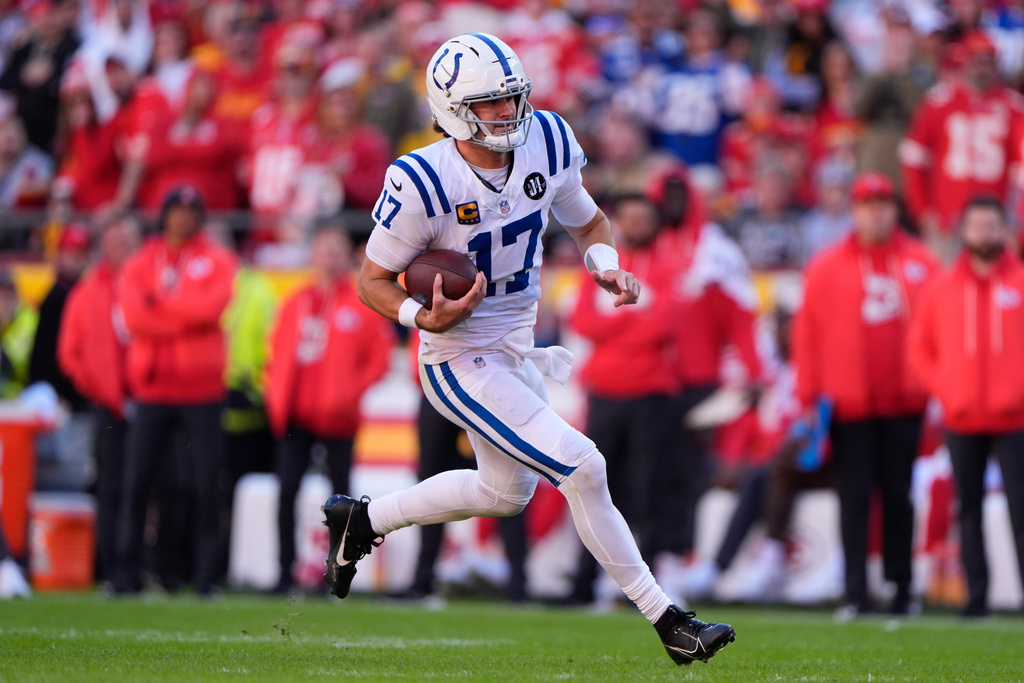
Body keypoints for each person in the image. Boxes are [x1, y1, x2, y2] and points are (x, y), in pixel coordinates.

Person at [322, 33, 735, 667]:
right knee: (583, 465)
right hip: (456, 354)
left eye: (513, 99)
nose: (509, 114)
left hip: (517, 342)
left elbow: (589, 221)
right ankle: (669, 619)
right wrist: (420, 314)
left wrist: (604, 264)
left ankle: (366, 519)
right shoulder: (423, 179)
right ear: (455, 108)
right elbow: (371, 280)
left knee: (504, 493)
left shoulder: (546, 138)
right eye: (491, 104)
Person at [793, 171, 939, 618]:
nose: (875, 212)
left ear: (895, 209)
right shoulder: (826, 264)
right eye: (866, 204)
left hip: (903, 402)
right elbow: (808, 334)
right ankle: (856, 592)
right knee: (854, 496)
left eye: (883, 204)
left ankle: (900, 589)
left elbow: (937, 330)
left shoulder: (922, 261)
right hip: (848, 402)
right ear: (855, 211)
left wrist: (930, 386)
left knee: (899, 496)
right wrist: (809, 395)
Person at [111, 185, 237, 596]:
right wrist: (184, 312)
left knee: (204, 485)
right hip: (152, 386)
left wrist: (160, 304)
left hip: (201, 388)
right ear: (163, 214)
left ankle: (203, 577)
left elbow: (211, 309)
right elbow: (134, 316)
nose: (182, 218)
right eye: (176, 210)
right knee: (137, 482)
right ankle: (125, 574)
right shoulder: (141, 261)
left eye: (190, 210)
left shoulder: (216, 259)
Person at [907, 196, 1024, 618]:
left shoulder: (1020, 281)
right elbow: (920, 349)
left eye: (991, 225)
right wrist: (947, 390)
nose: (984, 233)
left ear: (1004, 229)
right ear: (964, 231)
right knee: (968, 509)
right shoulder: (941, 288)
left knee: (1021, 508)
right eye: (976, 225)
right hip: (961, 416)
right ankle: (977, 599)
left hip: (1015, 418)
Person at [564, 192, 680, 606]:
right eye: (627, 218)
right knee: (591, 490)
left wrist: (614, 324)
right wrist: (635, 320)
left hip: (651, 394)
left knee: (646, 492)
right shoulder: (598, 268)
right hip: (606, 393)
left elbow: (665, 324)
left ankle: (642, 594)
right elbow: (581, 320)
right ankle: (582, 585)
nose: (634, 225)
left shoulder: (667, 267)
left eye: (642, 218)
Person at [264, 225, 393, 594]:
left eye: (337, 249)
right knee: (286, 491)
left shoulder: (360, 303)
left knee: (342, 501)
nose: (330, 256)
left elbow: (378, 358)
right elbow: (274, 353)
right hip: (296, 414)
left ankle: (338, 575)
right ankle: (283, 572)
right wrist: (276, 395)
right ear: (313, 254)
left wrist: (349, 393)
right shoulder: (294, 301)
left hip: (338, 416)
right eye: (324, 249)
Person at [58, 216, 140, 584]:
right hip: (109, 402)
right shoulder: (87, 293)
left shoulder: (147, 285)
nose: (121, 246)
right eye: (114, 240)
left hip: (153, 400)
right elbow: (70, 353)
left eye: (126, 239)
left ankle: (144, 566)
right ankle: (112, 569)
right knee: (112, 486)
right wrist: (97, 386)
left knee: (153, 486)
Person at [899, 32, 1022, 262]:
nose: (981, 69)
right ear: (964, 63)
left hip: (995, 221)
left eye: (987, 62)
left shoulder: (1012, 107)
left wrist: (1017, 222)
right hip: (947, 220)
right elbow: (914, 159)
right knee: (945, 285)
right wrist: (922, 210)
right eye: (976, 61)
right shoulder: (939, 103)